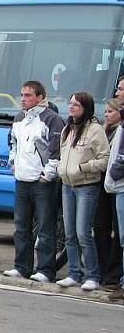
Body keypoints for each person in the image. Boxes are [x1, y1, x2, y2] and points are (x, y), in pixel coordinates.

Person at [3, 80, 65, 283]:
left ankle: (46, 269)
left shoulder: (52, 119)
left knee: (45, 228)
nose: (23, 99)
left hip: (42, 182)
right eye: (21, 95)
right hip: (22, 178)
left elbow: (56, 149)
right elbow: (13, 142)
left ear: (40, 97)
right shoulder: (19, 118)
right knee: (21, 226)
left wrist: (48, 174)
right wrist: (13, 163)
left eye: (28, 95)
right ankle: (22, 266)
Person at [56, 92, 109, 291]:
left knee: (83, 233)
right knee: (69, 233)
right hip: (67, 185)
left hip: (86, 186)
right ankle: (74, 273)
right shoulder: (67, 129)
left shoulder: (95, 130)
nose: (71, 107)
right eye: (70, 103)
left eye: (76, 104)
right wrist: (62, 170)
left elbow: (104, 159)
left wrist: (83, 168)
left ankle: (93, 275)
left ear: (85, 107)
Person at [95, 98, 123, 290]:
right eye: (105, 111)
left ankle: (114, 273)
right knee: (100, 227)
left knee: (118, 231)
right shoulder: (105, 130)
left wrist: (113, 173)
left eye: (110, 112)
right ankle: (104, 270)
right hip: (104, 184)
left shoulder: (120, 130)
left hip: (116, 183)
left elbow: (118, 157)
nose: (107, 115)